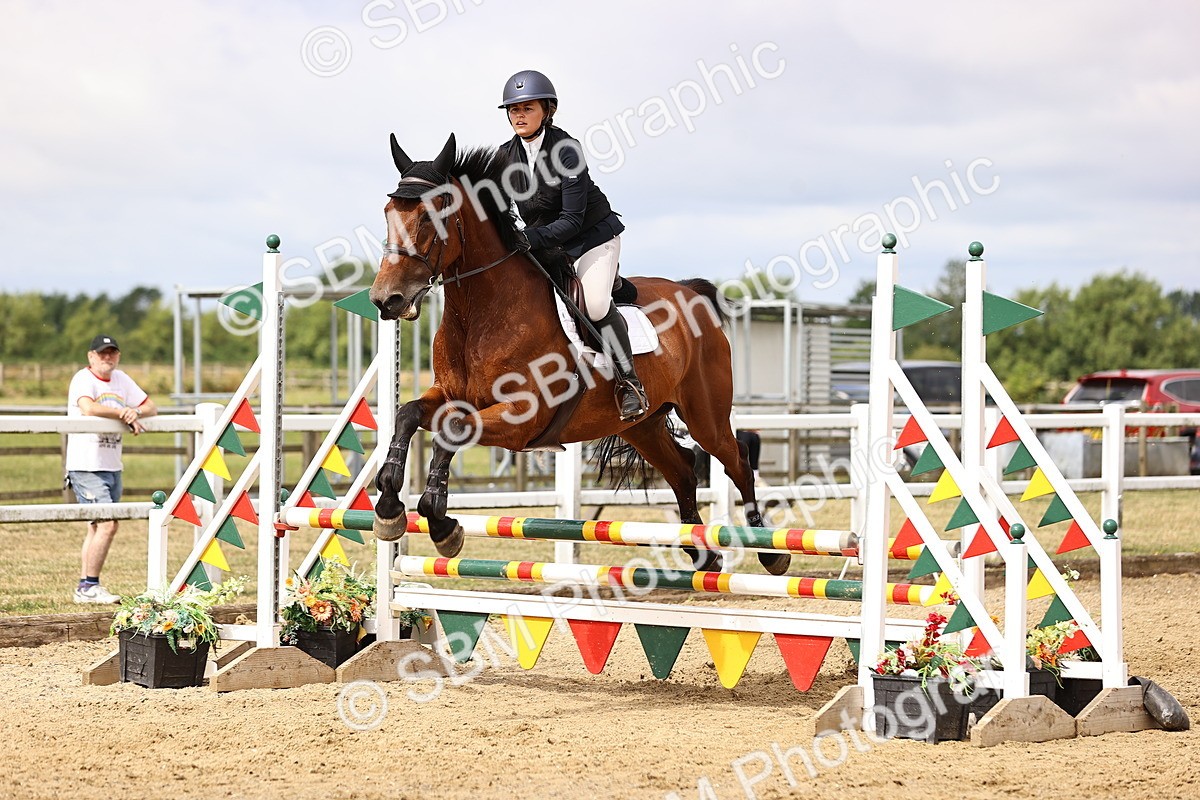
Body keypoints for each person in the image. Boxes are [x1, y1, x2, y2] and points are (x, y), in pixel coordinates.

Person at [496, 69, 649, 422]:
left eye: (527, 108)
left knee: (594, 305)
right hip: (546, 244)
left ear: (547, 110)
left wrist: (528, 239)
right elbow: (498, 208)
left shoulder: (566, 150)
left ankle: (630, 383)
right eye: (513, 109)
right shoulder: (505, 156)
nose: (518, 115)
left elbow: (572, 220)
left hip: (591, 238)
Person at [65, 334, 157, 603]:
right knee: (108, 524)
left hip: (111, 464)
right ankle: (89, 585)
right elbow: (88, 407)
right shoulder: (83, 379)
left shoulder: (121, 379)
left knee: (97, 526)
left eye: (112, 353)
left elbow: (151, 406)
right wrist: (123, 413)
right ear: (91, 356)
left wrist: (135, 412)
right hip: (86, 464)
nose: (107, 357)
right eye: (102, 353)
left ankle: (85, 586)